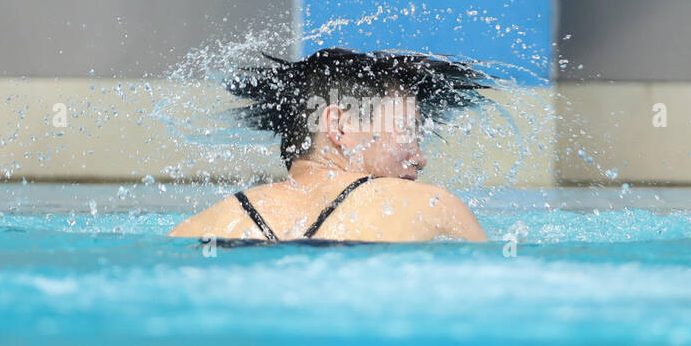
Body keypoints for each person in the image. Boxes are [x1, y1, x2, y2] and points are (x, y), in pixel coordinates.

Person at [168, 47, 490, 243]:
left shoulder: (208, 224)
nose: (420, 159)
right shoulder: (432, 206)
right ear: (339, 124)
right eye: (409, 130)